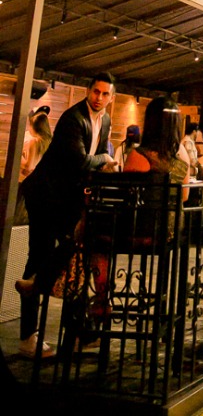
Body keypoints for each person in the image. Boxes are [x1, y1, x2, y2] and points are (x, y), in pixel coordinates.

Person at [16, 72, 116, 359]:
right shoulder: (73, 118)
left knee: (76, 260)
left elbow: (93, 159)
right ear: (88, 90)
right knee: (38, 257)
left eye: (105, 94)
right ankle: (28, 338)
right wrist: (106, 159)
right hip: (45, 196)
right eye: (95, 91)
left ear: (111, 97)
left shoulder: (105, 120)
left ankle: (77, 334)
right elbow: (82, 160)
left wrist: (101, 166)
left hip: (68, 200)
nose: (99, 98)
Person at [123, 96, 190, 188]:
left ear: (150, 122)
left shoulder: (138, 156)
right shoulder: (183, 160)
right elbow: (184, 195)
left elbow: (126, 192)